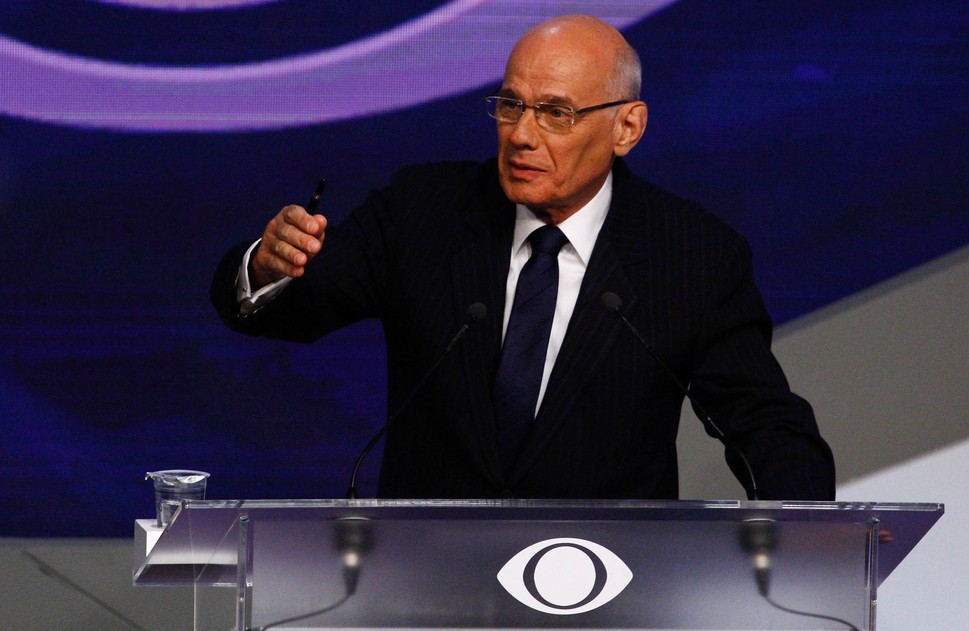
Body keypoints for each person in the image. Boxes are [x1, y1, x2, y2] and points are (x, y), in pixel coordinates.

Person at [212, 15, 835, 500]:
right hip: (424, 578)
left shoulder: (692, 255)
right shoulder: (422, 211)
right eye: (511, 106)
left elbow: (763, 425)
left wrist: (812, 533)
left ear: (627, 128)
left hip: (606, 584)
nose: (521, 134)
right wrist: (267, 268)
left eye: (556, 113)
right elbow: (295, 310)